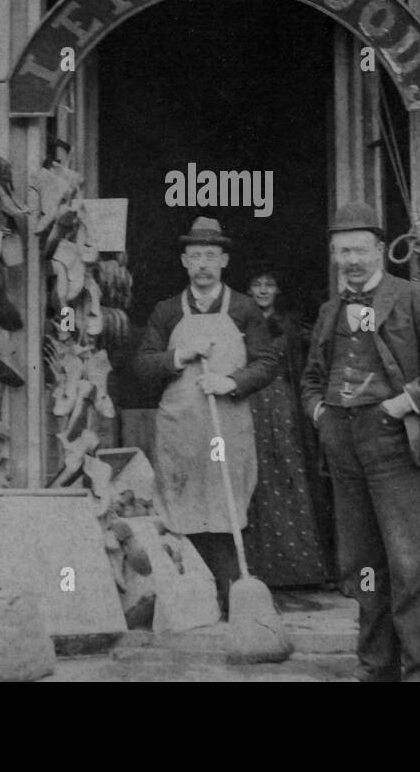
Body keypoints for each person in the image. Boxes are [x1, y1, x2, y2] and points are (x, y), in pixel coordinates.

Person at [302, 202, 420, 682]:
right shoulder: (330, 310)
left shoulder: (415, 299)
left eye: (359, 249)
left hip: (394, 445)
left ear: (379, 250)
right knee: (361, 565)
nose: (351, 260)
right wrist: (320, 413)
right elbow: (312, 378)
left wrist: (402, 403)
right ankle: (376, 669)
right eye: (341, 251)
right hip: (343, 445)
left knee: (408, 563)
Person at [132, 217, 279, 617]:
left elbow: (267, 363)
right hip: (181, 426)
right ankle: (194, 601)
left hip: (227, 422)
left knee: (228, 507)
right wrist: (181, 355)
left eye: (210, 256)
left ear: (224, 260)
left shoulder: (246, 310)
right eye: (195, 256)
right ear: (184, 261)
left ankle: (233, 600)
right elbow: (143, 365)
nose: (202, 264)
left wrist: (230, 382)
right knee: (184, 506)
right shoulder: (166, 312)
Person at [241, 264, 333, 587]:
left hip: (282, 407)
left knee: (289, 474)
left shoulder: (290, 325)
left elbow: (318, 351)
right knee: (253, 479)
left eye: (269, 284)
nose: (263, 290)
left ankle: (298, 568)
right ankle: (255, 568)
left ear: (278, 291)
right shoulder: (238, 321)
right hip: (248, 404)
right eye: (257, 284)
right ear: (249, 289)